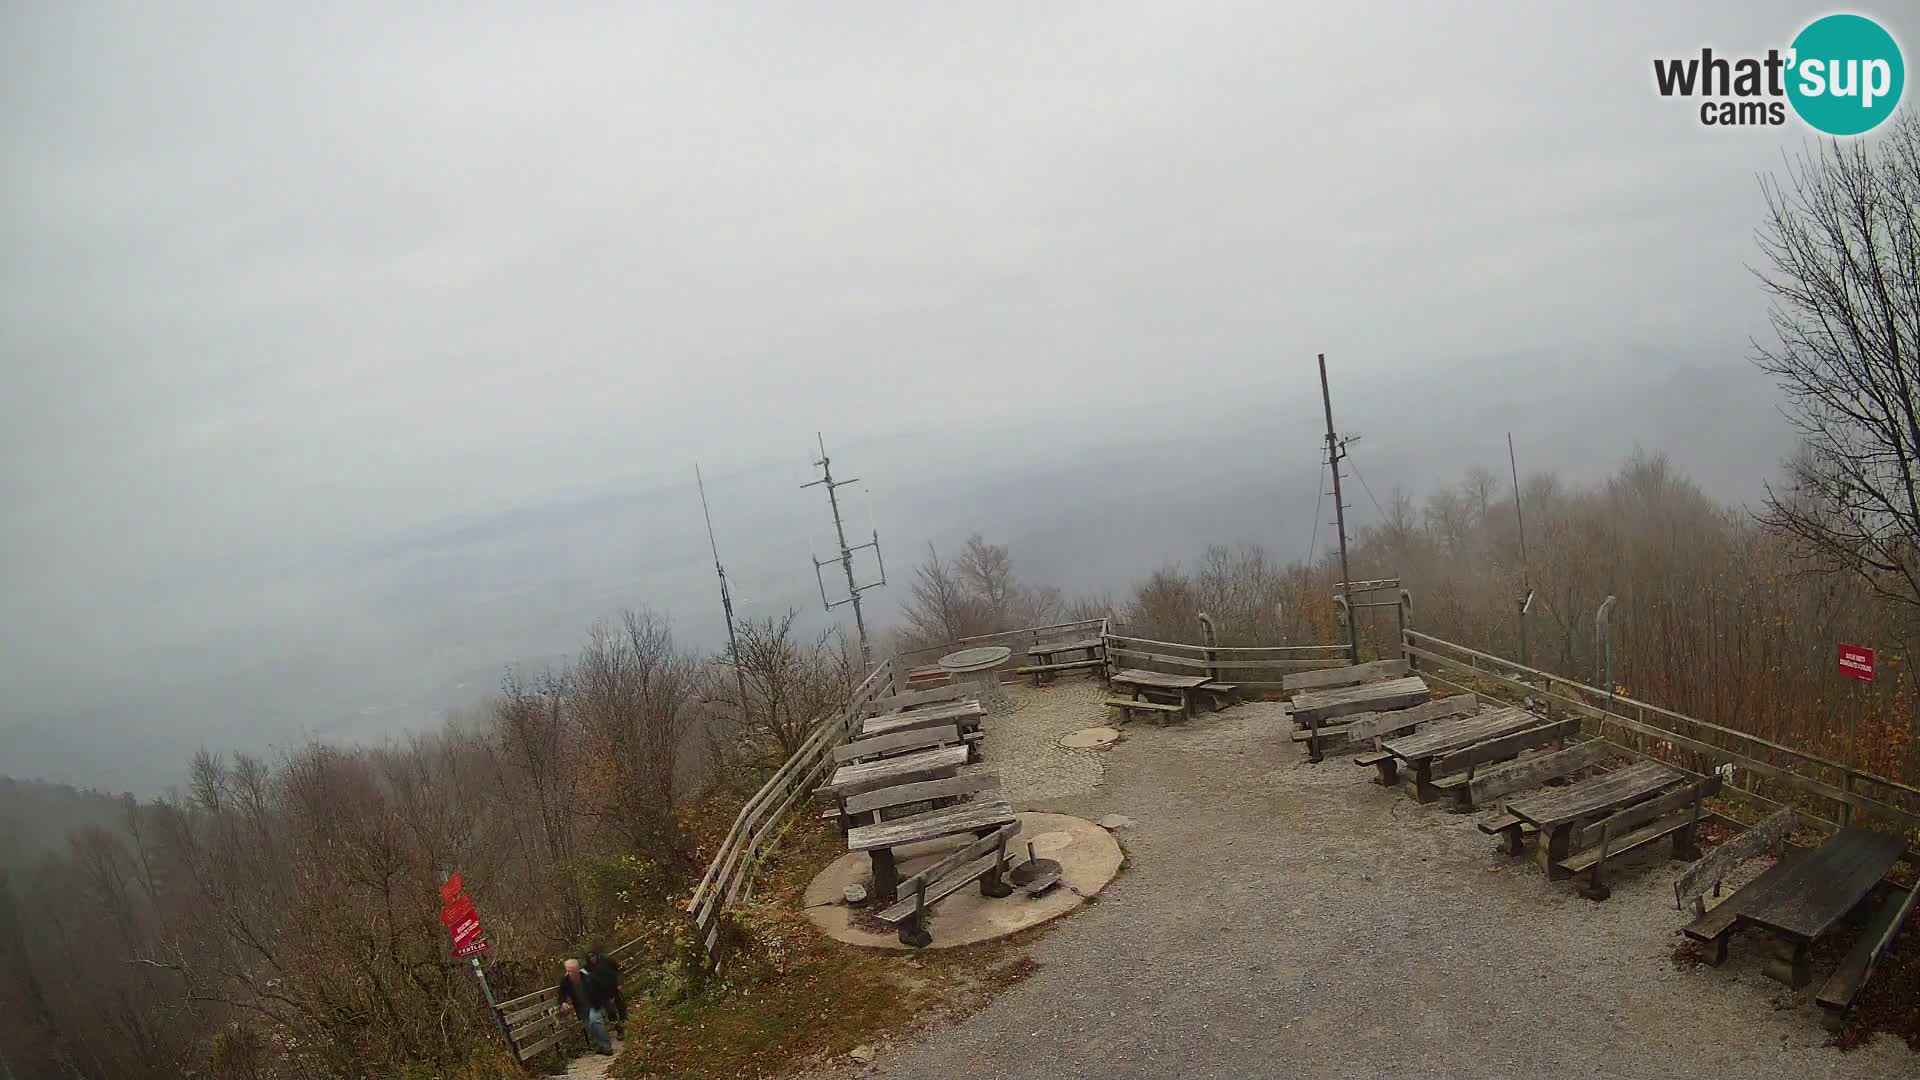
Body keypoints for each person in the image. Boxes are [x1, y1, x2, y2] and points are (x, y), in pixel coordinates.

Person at [556, 957, 613, 1055]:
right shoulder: (565, 980)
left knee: (596, 1021)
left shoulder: (587, 976)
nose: (570, 973)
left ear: (577, 969)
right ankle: (598, 1045)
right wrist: (563, 1002)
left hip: (593, 1004)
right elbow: (561, 993)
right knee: (589, 1026)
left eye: (572, 970)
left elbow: (599, 987)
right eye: (568, 970)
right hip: (581, 1007)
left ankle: (606, 1046)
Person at [587, 945, 626, 1027]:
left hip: (614, 986)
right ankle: (618, 1027)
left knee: (620, 1004)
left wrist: (619, 983)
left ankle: (624, 1020)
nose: (592, 959)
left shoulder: (607, 960)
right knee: (610, 1010)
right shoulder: (590, 969)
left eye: (593, 956)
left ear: (596, 955)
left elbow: (619, 969)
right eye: (590, 958)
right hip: (603, 992)